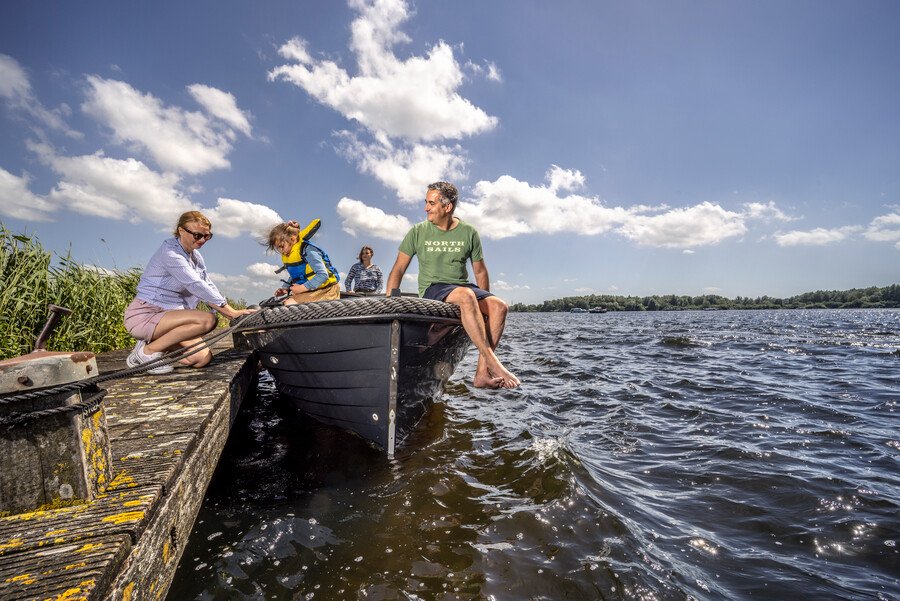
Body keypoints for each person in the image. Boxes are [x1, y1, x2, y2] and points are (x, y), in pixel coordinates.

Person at [386, 181, 520, 389]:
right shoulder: (417, 231)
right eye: (426, 202)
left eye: (431, 203)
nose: (426, 208)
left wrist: (485, 308)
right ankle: (494, 362)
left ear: (447, 207)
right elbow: (398, 269)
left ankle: (482, 374)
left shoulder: (469, 232)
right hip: (434, 288)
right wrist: (389, 303)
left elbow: (480, 271)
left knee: (500, 306)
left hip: (462, 286)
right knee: (466, 295)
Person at [123, 210, 256, 374]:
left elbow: (207, 284)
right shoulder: (171, 253)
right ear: (181, 230)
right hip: (146, 314)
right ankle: (147, 353)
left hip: (172, 316)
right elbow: (196, 284)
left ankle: (149, 346)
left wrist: (230, 311)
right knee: (207, 321)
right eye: (197, 235)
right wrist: (230, 312)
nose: (202, 240)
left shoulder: (196, 256)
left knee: (201, 359)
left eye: (207, 236)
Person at [267, 219, 341, 304]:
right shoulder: (290, 254)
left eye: (282, 246)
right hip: (311, 290)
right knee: (281, 303)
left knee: (289, 304)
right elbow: (298, 274)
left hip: (327, 290)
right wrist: (285, 288)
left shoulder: (308, 250)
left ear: (293, 239)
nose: (281, 251)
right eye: (278, 248)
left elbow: (323, 275)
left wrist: (301, 288)